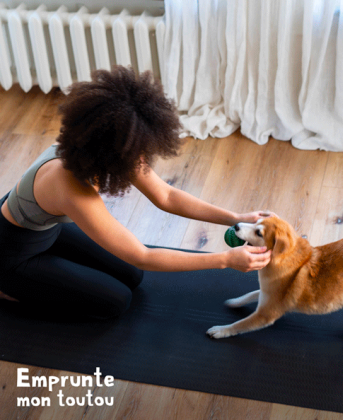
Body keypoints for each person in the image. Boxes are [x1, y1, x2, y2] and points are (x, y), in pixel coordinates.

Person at [0, 66, 272, 319]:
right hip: (12, 253)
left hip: (44, 229)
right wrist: (224, 260)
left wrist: (236, 217)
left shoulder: (106, 146)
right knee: (115, 301)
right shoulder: (71, 186)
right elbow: (143, 255)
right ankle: (8, 291)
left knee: (132, 275)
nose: (143, 158)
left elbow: (166, 197)